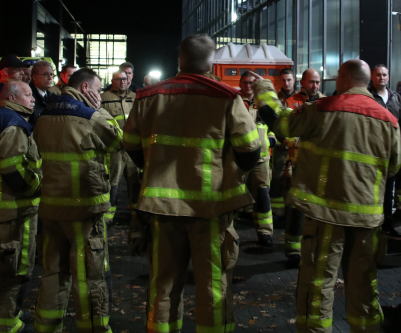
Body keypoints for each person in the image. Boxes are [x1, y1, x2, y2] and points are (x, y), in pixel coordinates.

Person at [122, 34, 261, 333]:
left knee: (163, 286)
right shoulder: (225, 97)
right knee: (212, 286)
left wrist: (155, 167)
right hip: (210, 208)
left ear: (179, 60)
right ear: (213, 62)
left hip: (160, 207)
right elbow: (250, 151)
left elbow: (131, 145)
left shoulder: (147, 96)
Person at [253, 60, 401, 333]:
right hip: (368, 219)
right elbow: (393, 167)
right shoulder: (388, 120)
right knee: (364, 287)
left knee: (318, 286)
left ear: (344, 78)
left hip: (325, 217)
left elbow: (281, 123)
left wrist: (263, 88)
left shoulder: (322, 109)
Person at [33, 68, 121, 333]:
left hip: (50, 207)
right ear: (86, 89)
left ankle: (47, 327)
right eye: (97, 89)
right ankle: (93, 328)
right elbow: (117, 141)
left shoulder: (45, 113)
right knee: (88, 277)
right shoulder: (90, 115)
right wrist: (102, 111)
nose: (100, 95)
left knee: (52, 274)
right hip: (83, 209)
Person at [0, 81, 42, 333]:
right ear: (13, 97)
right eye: (28, 95)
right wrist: (36, 187)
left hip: (2, 211)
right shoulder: (13, 124)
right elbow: (13, 170)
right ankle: (4, 324)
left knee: (7, 268)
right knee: (12, 271)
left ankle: (7, 318)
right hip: (13, 211)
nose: (33, 99)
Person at [281, 68, 325, 260]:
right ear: (303, 83)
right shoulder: (291, 103)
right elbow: (285, 134)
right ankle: (292, 248)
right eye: (311, 82)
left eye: (317, 82)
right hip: (297, 163)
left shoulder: (326, 103)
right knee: (296, 207)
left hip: (318, 164)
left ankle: (313, 245)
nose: (315, 86)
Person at [369, 65, 401, 236]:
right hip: (373, 151)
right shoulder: (368, 97)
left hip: (392, 150)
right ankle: (372, 223)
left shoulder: (395, 98)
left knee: (388, 189)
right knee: (374, 189)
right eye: (378, 75)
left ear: (388, 77)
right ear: (372, 77)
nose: (382, 78)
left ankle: (386, 223)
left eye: (384, 75)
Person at [239, 70, 277, 247]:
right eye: (245, 83)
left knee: (262, 195)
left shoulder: (263, 104)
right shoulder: (235, 102)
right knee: (233, 196)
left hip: (261, 160)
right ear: (240, 84)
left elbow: (274, 126)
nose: (249, 86)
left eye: (251, 83)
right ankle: (228, 233)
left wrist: (270, 141)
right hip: (239, 159)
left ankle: (265, 232)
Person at [100, 70, 138, 224]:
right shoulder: (104, 98)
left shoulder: (135, 98)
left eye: (125, 78)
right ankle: (108, 217)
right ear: (113, 81)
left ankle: (135, 215)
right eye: (119, 79)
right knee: (112, 183)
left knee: (134, 182)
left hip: (132, 148)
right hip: (114, 149)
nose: (122, 81)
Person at [270, 68, 298, 218]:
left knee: (296, 178)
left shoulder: (300, 98)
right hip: (281, 146)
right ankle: (277, 212)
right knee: (277, 178)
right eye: (284, 80)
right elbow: (272, 123)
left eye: (289, 79)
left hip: (297, 146)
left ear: (294, 80)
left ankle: (292, 211)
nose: (286, 83)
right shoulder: (275, 99)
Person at [29, 60, 55, 128]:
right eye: (46, 75)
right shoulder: (28, 96)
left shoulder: (52, 97)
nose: (50, 78)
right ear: (34, 77)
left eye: (51, 75)